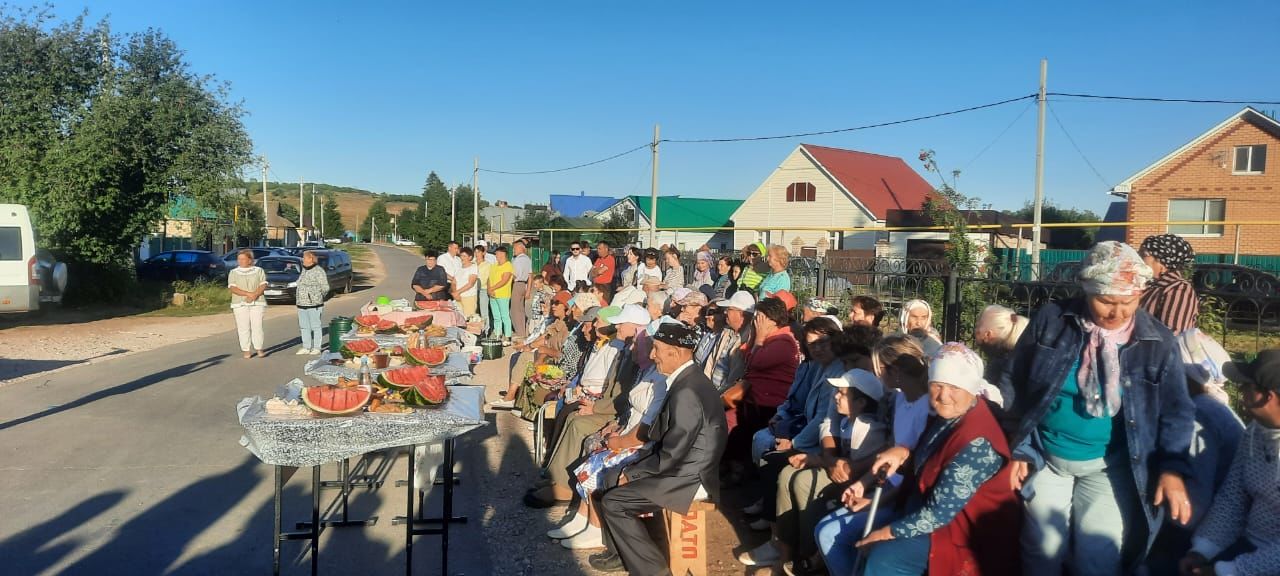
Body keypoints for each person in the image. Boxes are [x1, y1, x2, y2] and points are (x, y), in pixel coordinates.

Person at [1000, 241, 1195, 575]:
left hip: (1110, 465)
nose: (1116, 312)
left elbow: (1177, 411)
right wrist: (1016, 446)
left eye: (1128, 302)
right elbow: (1014, 379)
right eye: (1105, 300)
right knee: (1042, 551)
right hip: (1047, 458)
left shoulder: (1157, 342)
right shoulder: (1052, 320)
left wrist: (1172, 469)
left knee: (1098, 557)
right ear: (1086, 290)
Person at [853, 343, 1022, 576]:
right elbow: (931, 458)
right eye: (937, 385)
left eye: (954, 387)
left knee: (883, 558)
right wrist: (902, 452)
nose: (943, 395)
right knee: (857, 535)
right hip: (932, 515)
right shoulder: (946, 417)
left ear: (971, 389)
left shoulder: (977, 440)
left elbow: (938, 513)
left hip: (965, 534)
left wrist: (884, 533)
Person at [591, 321, 728, 574]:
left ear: (675, 353)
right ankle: (621, 554)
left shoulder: (687, 389)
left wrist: (634, 472)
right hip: (682, 468)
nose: (652, 356)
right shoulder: (687, 379)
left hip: (689, 478)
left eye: (657, 349)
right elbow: (667, 437)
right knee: (611, 476)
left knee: (615, 502)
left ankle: (653, 571)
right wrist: (632, 466)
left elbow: (675, 451)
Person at [815, 335, 932, 576]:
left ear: (895, 371)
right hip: (886, 485)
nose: (876, 375)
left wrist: (875, 500)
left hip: (903, 496)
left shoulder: (928, 407)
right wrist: (862, 483)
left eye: (880, 369)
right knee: (823, 528)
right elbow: (891, 451)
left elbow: (915, 471)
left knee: (829, 534)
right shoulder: (900, 399)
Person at [738, 317, 847, 566]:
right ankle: (778, 535)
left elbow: (824, 419)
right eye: (811, 344)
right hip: (812, 434)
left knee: (777, 465)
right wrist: (783, 418)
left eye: (823, 342)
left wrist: (795, 441)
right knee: (769, 453)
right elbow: (799, 400)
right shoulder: (819, 366)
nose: (817, 348)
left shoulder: (839, 371)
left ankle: (782, 542)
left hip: (825, 445)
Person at [550, 330, 669, 550]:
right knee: (593, 458)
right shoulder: (650, 371)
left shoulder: (662, 380)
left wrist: (621, 439)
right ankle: (582, 517)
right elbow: (632, 410)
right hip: (628, 431)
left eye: (648, 347)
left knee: (600, 465)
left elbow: (648, 425)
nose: (633, 349)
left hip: (642, 443)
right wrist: (617, 426)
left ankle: (596, 528)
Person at [1180, 350, 1280, 576]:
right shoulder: (1255, 432)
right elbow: (1233, 495)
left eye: (1246, 385)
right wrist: (1202, 550)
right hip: (1248, 545)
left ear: (1268, 397)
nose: (1240, 390)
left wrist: (1228, 571)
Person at [725, 297, 800, 466]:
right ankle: (732, 467)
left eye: (759, 318)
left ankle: (737, 470)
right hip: (754, 399)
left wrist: (759, 338)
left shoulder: (784, 342)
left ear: (771, 320)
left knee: (733, 424)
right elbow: (746, 356)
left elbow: (756, 362)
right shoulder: (771, 340)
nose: (755, 322)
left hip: (769, 404)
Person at [1139, 233, 1199, 334]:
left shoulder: (1178, 290)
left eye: (1144, 254)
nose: (1138, 258)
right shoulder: (1147, 285)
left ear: (1162, 262)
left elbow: (1172, 336)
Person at [707, 291, 755, 393]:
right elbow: (711, 361)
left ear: (741, 313)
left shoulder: (748, 341)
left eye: (729, 309)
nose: (725, 312)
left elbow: (735, 378)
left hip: (723, 399)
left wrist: (720, 397)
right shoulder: (725, 333)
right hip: (710, 392)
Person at [973, 304, 1028, 386]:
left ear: (988, 335)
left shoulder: (999, 368)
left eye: (978, 326)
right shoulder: (1021, 358)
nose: (975, 329)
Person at [228, 249, 268, 359]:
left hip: (257, 302)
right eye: (239, 259)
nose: (240, 261)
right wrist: (248, 294)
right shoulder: (234, 272)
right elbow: (232, 287)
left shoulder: (259, 270)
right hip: (240, 303)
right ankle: (246, 349)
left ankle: (259, 348)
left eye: (243, 259)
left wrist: (255, 295)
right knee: (243, 327)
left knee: (257, 326)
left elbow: (263, 284)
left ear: (250, 260)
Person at [294, 250, 329, 355]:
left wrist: (316, 296)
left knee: (315, 326)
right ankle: (306, 346)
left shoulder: (319, 271)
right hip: (301, 303)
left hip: (314, 304)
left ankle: (317, 347)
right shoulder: (304, 270)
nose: (302, 260)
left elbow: (325, 287)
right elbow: (299, 283)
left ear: (311, 259)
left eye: (304, 258)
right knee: (304, 326)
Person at [487, 246, 515, 346]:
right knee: (496, 316)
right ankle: (498, 334)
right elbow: (489, 279)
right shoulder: (493, 266)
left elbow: (504, 280)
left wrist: (492, 288)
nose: (496, 255)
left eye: (498, 254)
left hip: (503, 294)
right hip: (492, 295)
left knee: (505, 316)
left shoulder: (508, 265)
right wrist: (489, 289)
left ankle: (507, 336)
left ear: (503, 254)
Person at [511, 239, 533, 339]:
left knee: (514, 310)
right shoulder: (528, 259)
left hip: (516, 284)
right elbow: (530, 275)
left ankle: (519, 332)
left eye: (515, 248)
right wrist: (528, 290)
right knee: (521, 309)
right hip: (524, 285)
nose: (514, 250)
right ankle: (523, 330)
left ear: (521, 248)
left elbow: (513, 274)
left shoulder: (517, 260)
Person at [453, 247, 479, 317]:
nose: (462, 258)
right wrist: (455, 294)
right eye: (461, 256)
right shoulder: (459, 268)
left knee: (469, 319)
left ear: (470, 257)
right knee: (459, 319)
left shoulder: (473, 267)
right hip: (458, 297)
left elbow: (471, 284)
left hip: (469, 297)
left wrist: (457, 292)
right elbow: (454, 282)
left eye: (464, 256)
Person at [475, 242, 494, 334]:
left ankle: (486, 330)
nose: (477, 254)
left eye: (478, 252)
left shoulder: (488, 265)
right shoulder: (472, 264)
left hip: (483, 289)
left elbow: (490, 278)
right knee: (474, 311)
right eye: (475, 252)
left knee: (484, 311)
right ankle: (475, 329)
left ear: (483, 253)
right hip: (473, 290)